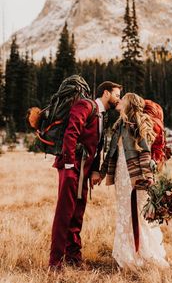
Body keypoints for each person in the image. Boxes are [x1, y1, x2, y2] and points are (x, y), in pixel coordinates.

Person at [49, 80, 122, 270]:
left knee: (77, 214)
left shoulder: (102, 115)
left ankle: (74, 258)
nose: (118, 99)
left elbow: (96, 146)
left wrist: (95, 171)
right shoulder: (86, 106)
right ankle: (55, 262)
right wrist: (69, 163)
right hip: (71, 168)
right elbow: (71, 133)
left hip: (84, 171)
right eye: (116, 95)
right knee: (65, 214)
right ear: (105, 93)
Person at [100, 93, 169, 269]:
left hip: (135, 176)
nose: (119, 100)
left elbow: (145, 152)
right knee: (125, 214)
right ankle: (127, 255)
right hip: (120, 175)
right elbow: (112, 153)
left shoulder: (136, 123)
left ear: (129, 104)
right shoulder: (119, 124)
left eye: (123, 99)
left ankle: (144, 255)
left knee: (137, 214)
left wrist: (147, 177)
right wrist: (101, 172)